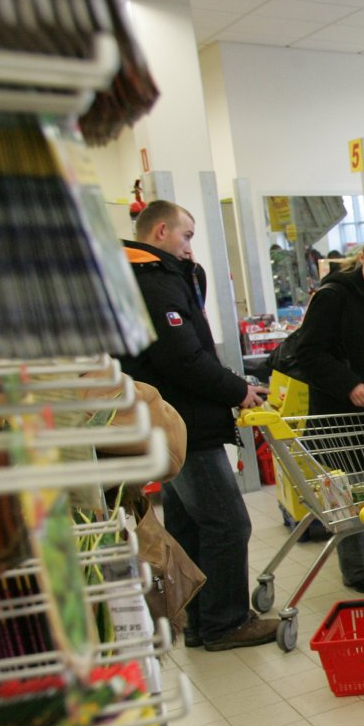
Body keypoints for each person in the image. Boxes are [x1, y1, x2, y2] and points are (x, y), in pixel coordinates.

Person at [121, 201, 278, 651]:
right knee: (228, 524)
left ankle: (197, 619)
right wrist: (236, 390)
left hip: (169, 421)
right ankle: (225, 623)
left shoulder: (146, 277)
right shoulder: (153, 282)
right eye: (186, 235)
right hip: (184, 425)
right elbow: (183, 358)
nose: (190, 246)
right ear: (161, 231)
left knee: (189, 524)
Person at [292, 232, 364, 594]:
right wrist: (348, 384)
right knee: (349, 487)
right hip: (336, 409)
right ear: (362, 259)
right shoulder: (332, 296)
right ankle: (357, 570)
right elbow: (308, 353)